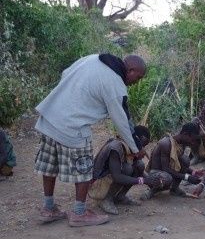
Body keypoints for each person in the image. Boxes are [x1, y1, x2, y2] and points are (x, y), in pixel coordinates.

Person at [34, 53, 147, 227]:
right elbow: (121, 121)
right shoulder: (115, 84)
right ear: (130, 70)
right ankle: (79, 213)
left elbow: (65, 73)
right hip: (73, 125)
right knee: (85, 168)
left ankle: (48, 208)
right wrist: (135, 148)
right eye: (138, 77)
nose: (137, 82)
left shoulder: (93, 59)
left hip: (50, 116)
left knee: (50, 166)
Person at [89, 125, 172, 215]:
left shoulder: (128, 145)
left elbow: (139, 170)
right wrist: (144, 180)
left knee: (139, 165)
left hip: (109, 177)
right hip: (98, 183)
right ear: (137, 139)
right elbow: (117, 177)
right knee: (127, 169)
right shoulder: (116, 147)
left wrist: (152, 181)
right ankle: (106, 199)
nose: (142, 148)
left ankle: (120, 196)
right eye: (142, 145)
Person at [141, 122, 202, 199]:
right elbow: (165, 168)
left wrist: (193, 172)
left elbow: (178, 163)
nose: (192, 143)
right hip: (156, 172)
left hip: (167, 171)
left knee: (185, 160)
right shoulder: (166, 144)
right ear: (185, 134)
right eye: (192, 140)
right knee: (167, 178)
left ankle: (174, 189)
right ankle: (152, 190)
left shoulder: (181, 144)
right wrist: (187, 177)